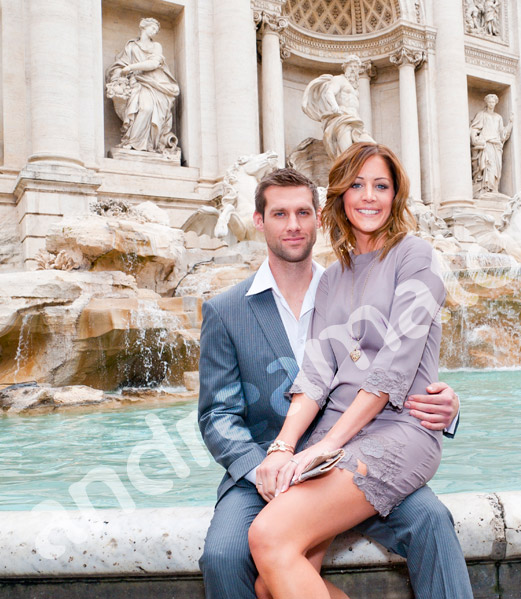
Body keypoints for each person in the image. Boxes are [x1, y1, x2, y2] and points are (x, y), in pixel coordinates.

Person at [197, 166, 472, 599]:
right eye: (279, 214)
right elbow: (217, 415)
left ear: (319, 217)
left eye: (303, 213)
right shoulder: (226, 310)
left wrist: (449, 407)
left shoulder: (345, 277)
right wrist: (268, 464)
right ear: (258, 220)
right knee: (225, 557)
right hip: (267, 464)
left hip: (366, 442)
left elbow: (403, 363)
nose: (293, 225)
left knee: (431, 519)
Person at [106, 18, 180, 156]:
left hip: (155, 83)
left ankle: (146, 144)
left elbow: (153, 64)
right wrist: (119, 74)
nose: (155, 32)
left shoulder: (156, 46)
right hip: (136, 83)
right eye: (153, 29)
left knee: (148, 109)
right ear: (143, 27)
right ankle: (132, 142)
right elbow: (120, 65)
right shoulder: (131, 46)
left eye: (156, 31)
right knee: (143, 109)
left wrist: (130, 67)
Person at [302, 55, 375, 159]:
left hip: (355, 121)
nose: (353, 69)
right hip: (342, 120)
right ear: (345, 67)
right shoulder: (339, 79)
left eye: (355, 67)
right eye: (351, 66)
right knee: (347, 154)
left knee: (373, 148)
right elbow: (329, 92)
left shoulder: (355, 87)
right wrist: (335, 106)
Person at [469, 93, 513, 195]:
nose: (491, 104)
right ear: (486, 102)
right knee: (489, 166)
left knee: (497, 169)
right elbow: (474, 128)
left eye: (493, 102)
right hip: (487, 144)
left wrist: (510, 123)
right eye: (489, 102)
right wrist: (475, 139)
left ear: (496, 103)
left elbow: (503, 134)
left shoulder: (498, 117)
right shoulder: (481, 115)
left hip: (496, 145)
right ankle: (486, 189)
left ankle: (494, 189)